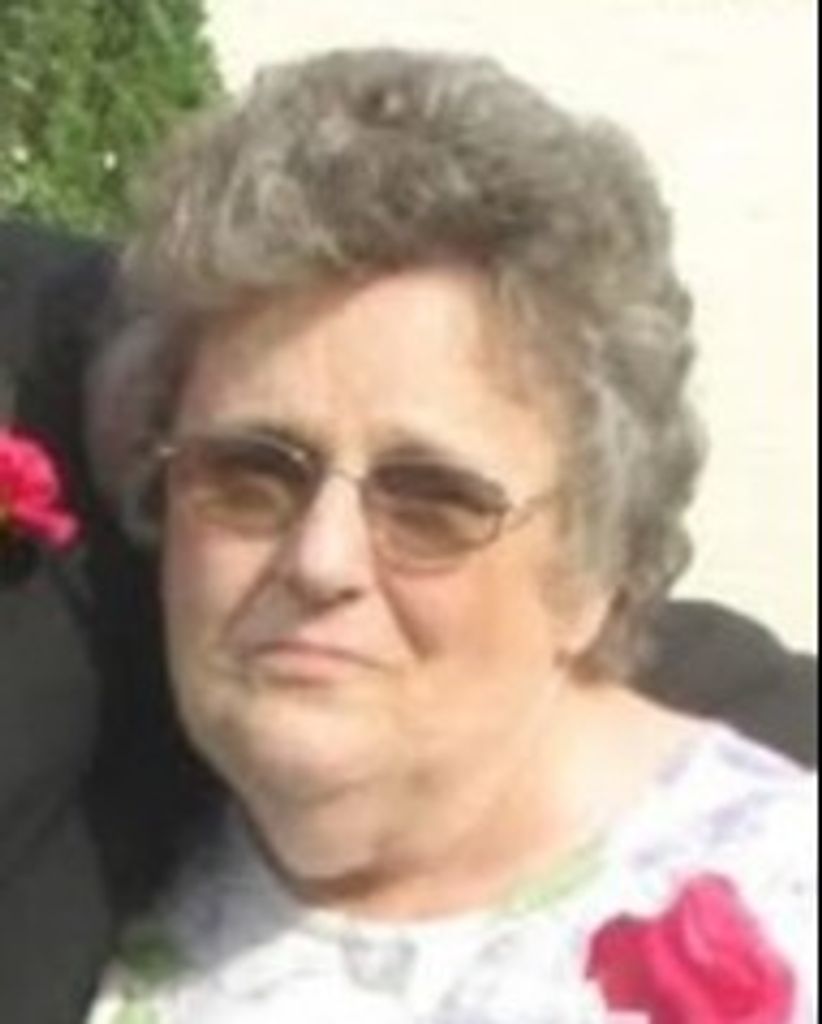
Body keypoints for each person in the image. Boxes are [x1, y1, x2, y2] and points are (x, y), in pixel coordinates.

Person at [1, 46, 814, 1020]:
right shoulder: (116, 860)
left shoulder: (786, 912)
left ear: (593, 562)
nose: (321, 559)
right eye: (250, 475)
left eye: (431, 500)